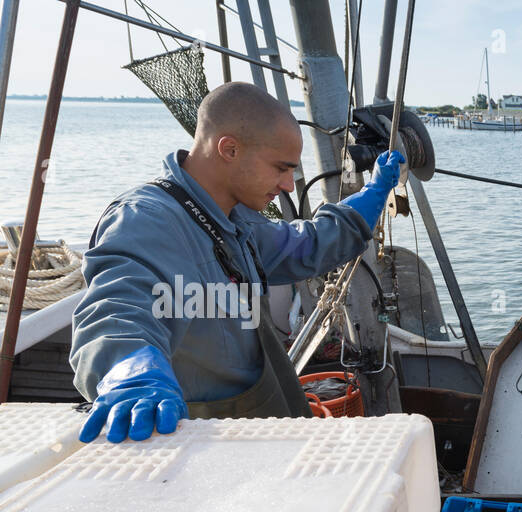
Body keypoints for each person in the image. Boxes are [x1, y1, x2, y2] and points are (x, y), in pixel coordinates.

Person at [71, 81, 405, 442]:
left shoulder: (233, 217)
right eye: (281, 168)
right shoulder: (147, 219)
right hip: (195, 443)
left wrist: (373, 194)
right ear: (229, 149)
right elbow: (116, 308)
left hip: (258, 432)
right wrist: (131, 371)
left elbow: (305, 245)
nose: (289, 186)